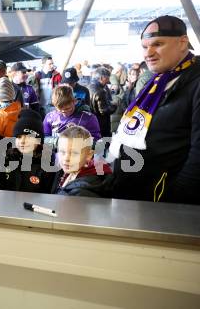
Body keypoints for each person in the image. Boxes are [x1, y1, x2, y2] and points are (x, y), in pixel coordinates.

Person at [110, 15, 200, 204]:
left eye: (158, 44)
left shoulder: (194, 82)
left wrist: (173, 200)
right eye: (145, 46)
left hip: (161, 204)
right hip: (131, 194)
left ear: (183, 43)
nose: (148, 53)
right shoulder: (157, 80)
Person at [0, 109, 55, 193]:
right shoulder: (6, 159)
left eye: (28, 137)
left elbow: (48, 194)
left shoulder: (47, 165)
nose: (22, 142)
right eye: (19, 137)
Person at [52, 126, 112, 196]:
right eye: (62, 152)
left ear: (89, 155)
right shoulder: (64, 170)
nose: (66, 158)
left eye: (74, 153)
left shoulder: (83, 192)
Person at [88, 67, 117, 138]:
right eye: (107, 78)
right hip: (102, 124)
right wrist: (115, 105)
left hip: (91, 122)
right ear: (101, 78)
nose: (108, 81)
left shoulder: (88, 87)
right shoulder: (100, 91)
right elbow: (104, 110)